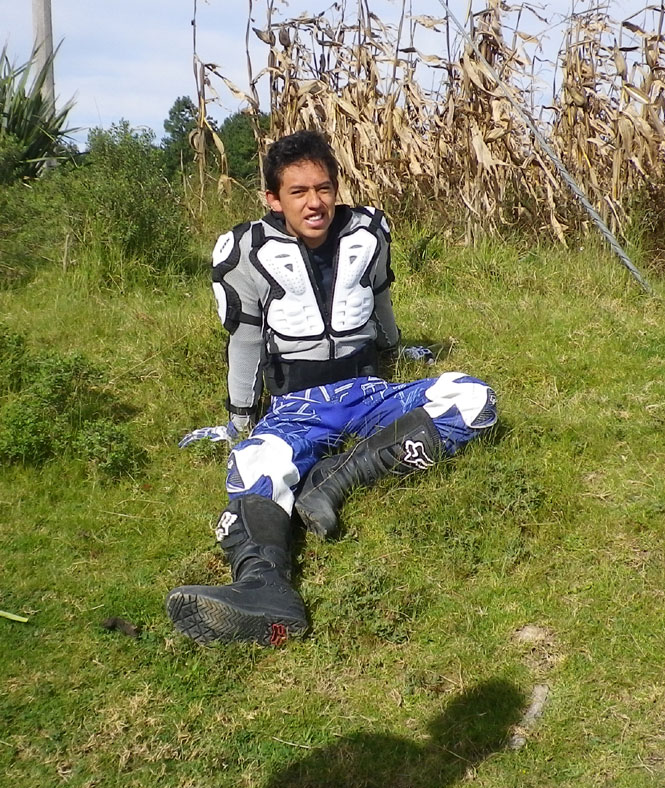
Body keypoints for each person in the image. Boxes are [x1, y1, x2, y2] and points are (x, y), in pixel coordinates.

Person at [166, 130, 497, 647]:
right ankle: (263, 586)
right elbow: (245, 340)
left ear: (336, 188)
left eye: (323, 188)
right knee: (254, 466)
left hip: (368, 393)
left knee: (474, 400)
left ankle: (334, 481)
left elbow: (380, 300)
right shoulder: (246, 249)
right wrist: (237, 422)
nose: (314, 202)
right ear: (273, 198)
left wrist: (398, 349)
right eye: (298, 192)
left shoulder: (369, 232)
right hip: (296, 407)